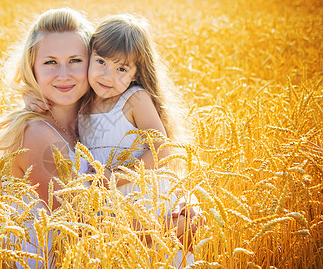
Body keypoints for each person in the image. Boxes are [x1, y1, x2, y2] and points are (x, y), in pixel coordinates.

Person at [24, 14, 199, 267]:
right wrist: (29, 98)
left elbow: (163, 148)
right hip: (117, 212)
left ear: (137, 72)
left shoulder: (134, 99)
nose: (107, 76)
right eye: (100, 63)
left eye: (121, 69)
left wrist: (113, 179)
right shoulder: (84, 103)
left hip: (144, 199)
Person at [0, 7, 93, 268]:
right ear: (32, 67)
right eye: (50, 62)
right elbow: (78, 229)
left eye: (75, 60)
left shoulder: (94, 122)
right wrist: (166, 226)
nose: (63, 74)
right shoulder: (36, 135)